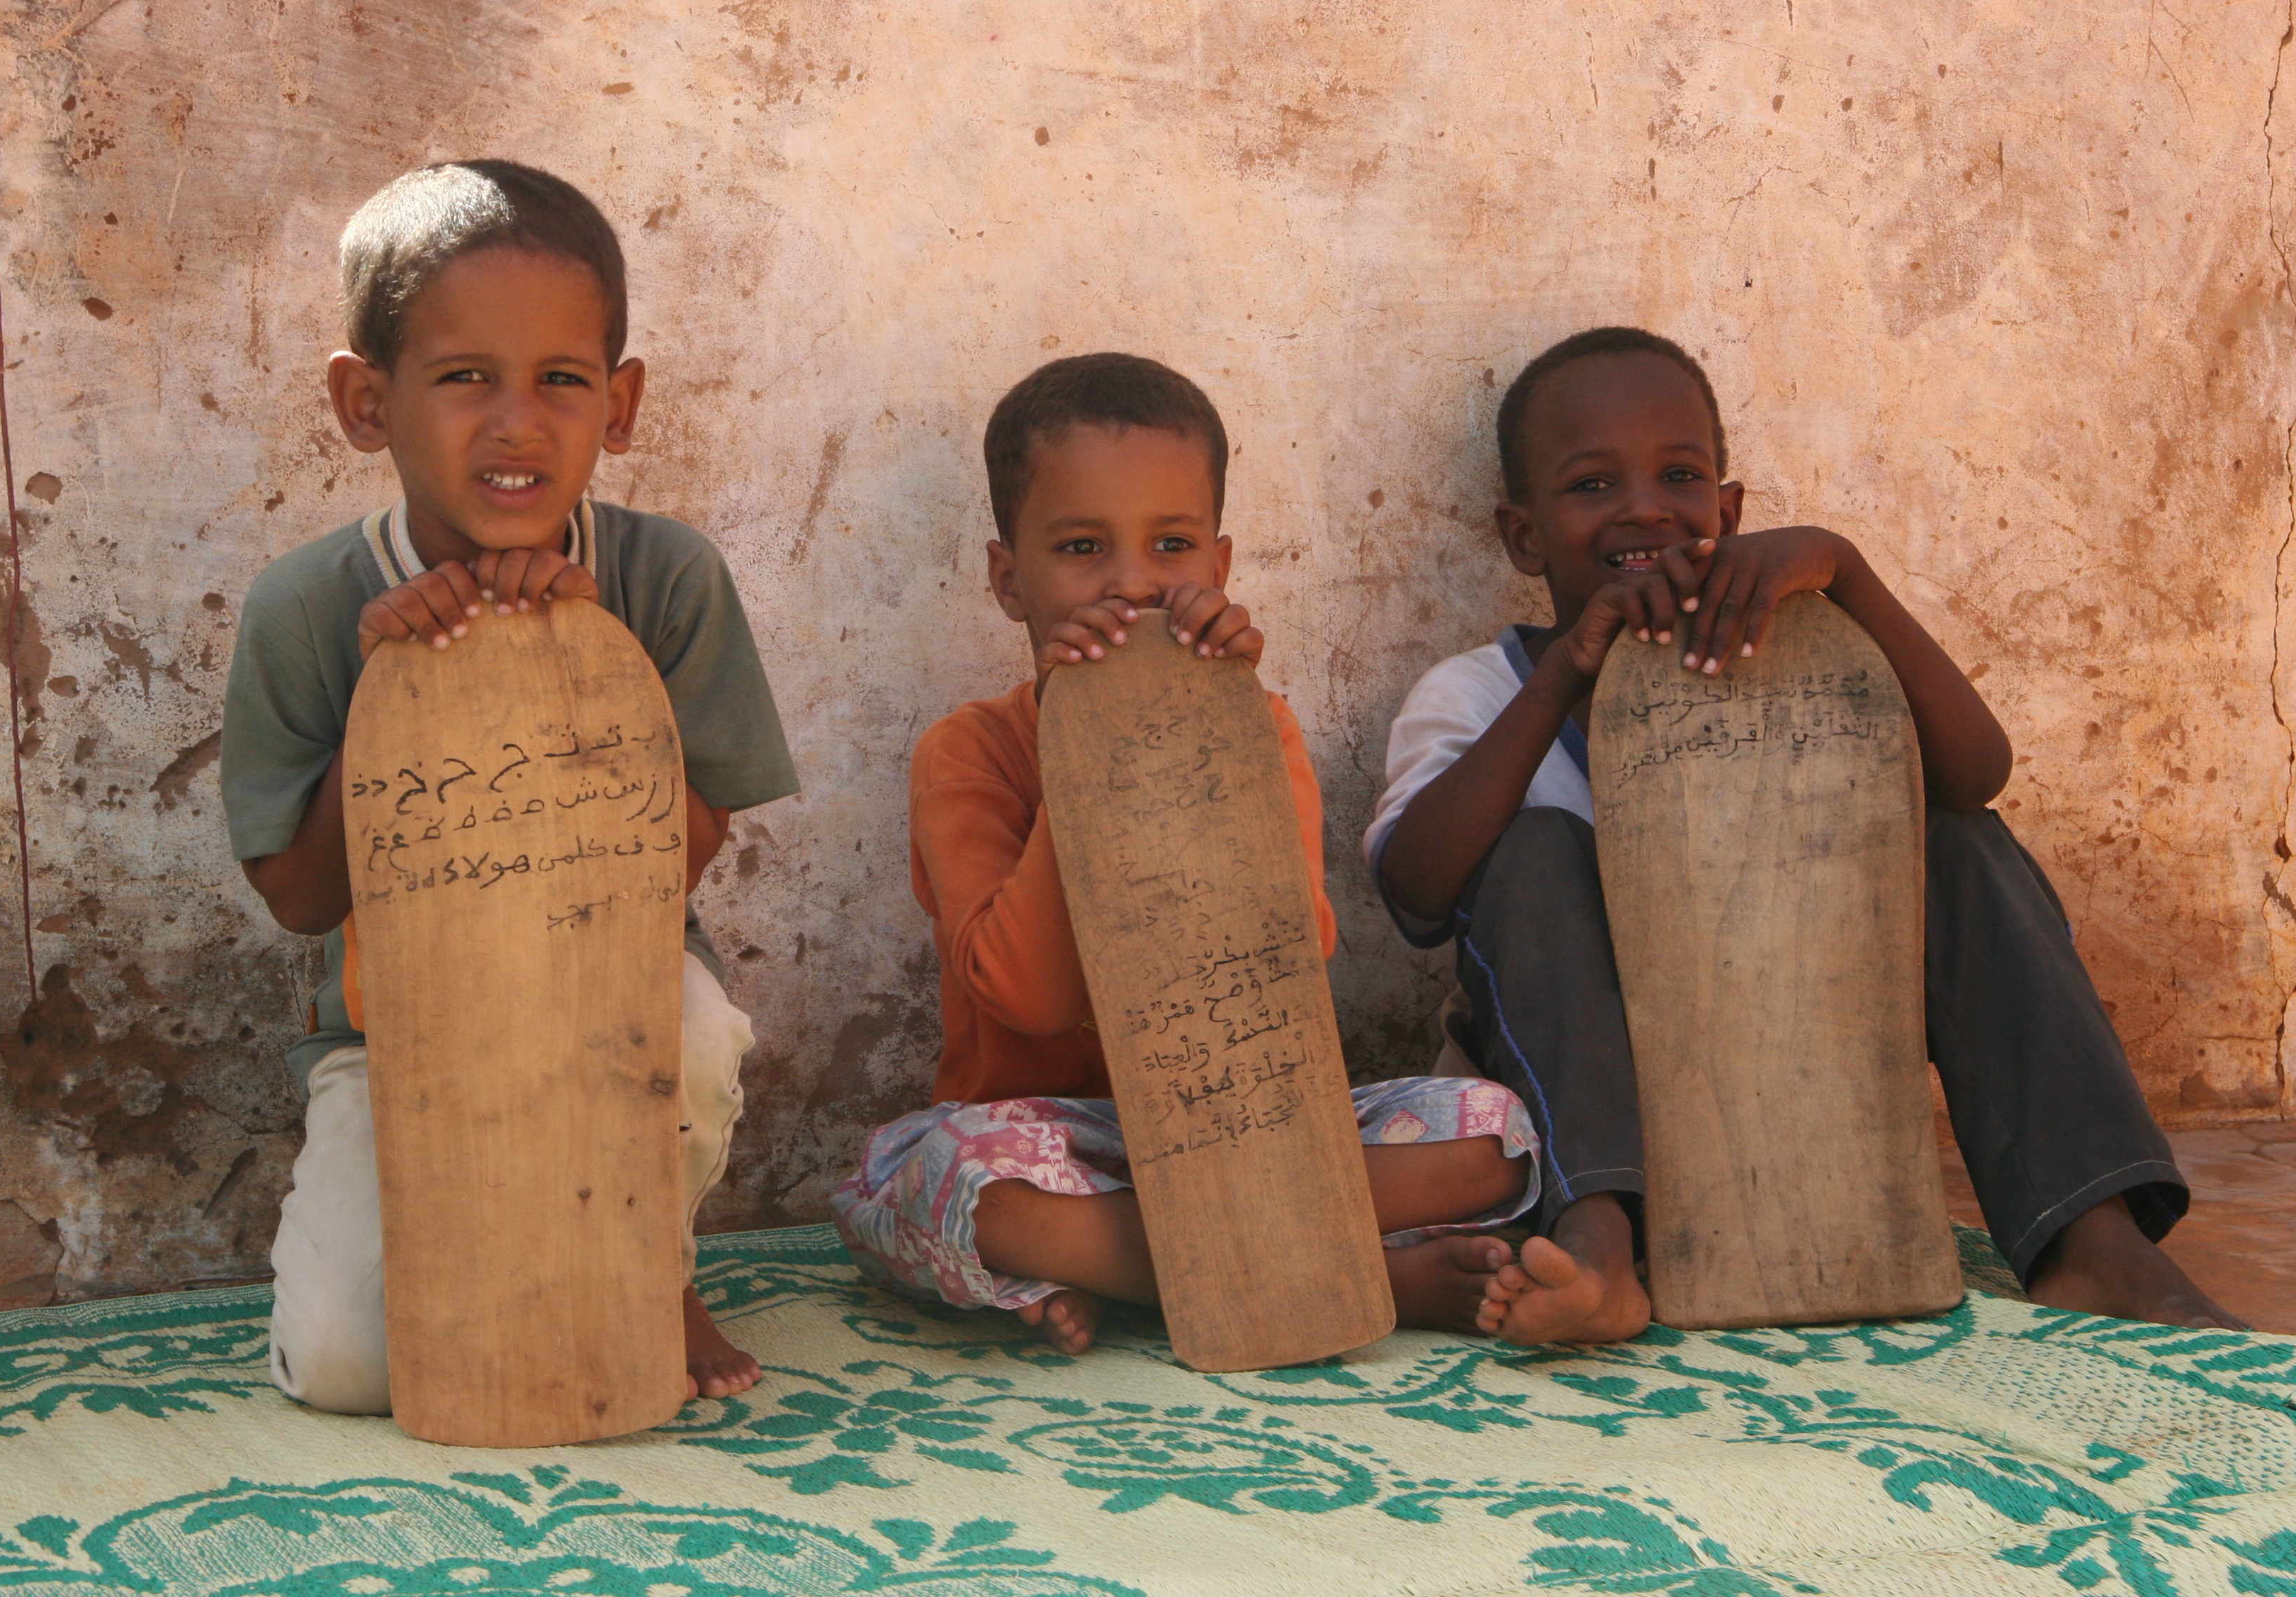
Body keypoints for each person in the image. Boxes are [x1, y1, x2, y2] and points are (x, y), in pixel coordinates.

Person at [1368, 325, 2246, 1345]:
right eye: (1593, 485)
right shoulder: (1480, 693)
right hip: (1587, 1107)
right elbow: (1418, 895)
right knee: (1531, 847)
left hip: (1790, 1064)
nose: (1643, 506)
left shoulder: (1801, 664)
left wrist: (1848, 573)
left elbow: (1978, 774)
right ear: (1524, 537)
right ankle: (1599, 1246)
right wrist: (1569, 668)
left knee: (1959, 842)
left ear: (1729, 511)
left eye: (1680, 475)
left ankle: (2096, 1243)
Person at [222, 161, 798, 1413]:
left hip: (618, 998)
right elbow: (300, 899)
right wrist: (396, 695)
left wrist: (591, 682)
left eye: (562, 380)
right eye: (464, 376)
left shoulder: (666, 579)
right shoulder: (305, 608)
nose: (517, 422)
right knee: (344, 1371)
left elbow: (686, 851)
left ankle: (653, 1260)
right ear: (365, 402)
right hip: (392, 1038)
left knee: (699, 1031)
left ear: (622, 402)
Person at [831, 352, 1541, 1355]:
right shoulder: (969, 754)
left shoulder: (1264, 728)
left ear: (1219, 567)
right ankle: (1332, 1266)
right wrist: (1090, 745)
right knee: (952, 1189)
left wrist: (1215, 734)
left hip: (1246, 1130)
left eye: (1172, 544)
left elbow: (1287, 966)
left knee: (1492, 1136)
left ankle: (1124, 1275)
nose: (1132, 583)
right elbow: (1024, 999)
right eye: (1082, 547)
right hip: (1059, 1146)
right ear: (1007, 581)